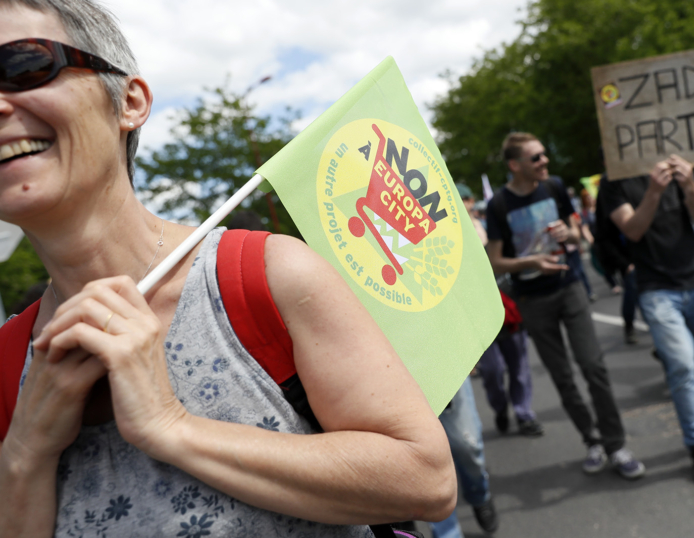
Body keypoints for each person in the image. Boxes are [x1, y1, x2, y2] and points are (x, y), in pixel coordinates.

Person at [0, 1, 456, 536]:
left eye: (24, 66)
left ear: (129, 101)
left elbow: (427, 480)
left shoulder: (263, 276)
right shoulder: (11, 362)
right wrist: (25, 451)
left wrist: (172, 428)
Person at [486, 132, 644, 480]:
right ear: (515, 165)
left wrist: (568, 234)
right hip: (532, 299)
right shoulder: (498, 204)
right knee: (563, 378)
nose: (545, 162)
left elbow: (576, 234)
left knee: (593, 367)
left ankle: (616, 445)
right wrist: (532, 263)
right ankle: (593, 441)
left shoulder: (555, 187)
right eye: (536, 158)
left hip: (569, 286)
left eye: (544, 154)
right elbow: (495, 261)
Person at [601, 154, 694, 486]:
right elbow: (632, 230)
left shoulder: (678, 167)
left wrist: (689, 182)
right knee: (682, 367)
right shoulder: (613, 180)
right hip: (656, 289)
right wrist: (653, 191)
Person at [457, 183, 541, 437]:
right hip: (477, 314)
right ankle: (500, 407)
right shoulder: (447, 233)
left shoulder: (489, 224)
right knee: (492, 370)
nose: (462, 204)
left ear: (472, 202)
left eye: (465, 200)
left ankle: (524, 413)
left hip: (507, 304)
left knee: (519, 366)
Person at [430, 379, 498, 538]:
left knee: (467, 446)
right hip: (397, 380)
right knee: (428, 461)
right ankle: (448, 533)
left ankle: (478, 494)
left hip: (442, 371)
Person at [593, 188, 639, 344]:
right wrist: (624, 264)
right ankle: (629, 324)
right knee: (632, 291)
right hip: (627, 257)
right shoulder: (609, 191)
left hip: (650, 254)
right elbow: (604, 235)